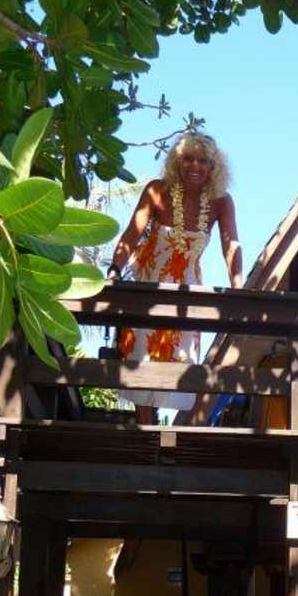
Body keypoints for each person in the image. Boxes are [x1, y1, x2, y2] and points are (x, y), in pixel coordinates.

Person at [108, 132, 243, 423]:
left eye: (203, 161)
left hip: (187, 290)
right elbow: (131, 235)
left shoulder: (221, 202)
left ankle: (166, 432)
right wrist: (114, 271)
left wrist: (238, 285)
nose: (195, 166)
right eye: (188, 159)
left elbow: (231, 245)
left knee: (181, 360)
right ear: (176, 162)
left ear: (213, 167)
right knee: (142, 357)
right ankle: (145, 430)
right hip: (149, 284)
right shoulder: (157, 190)